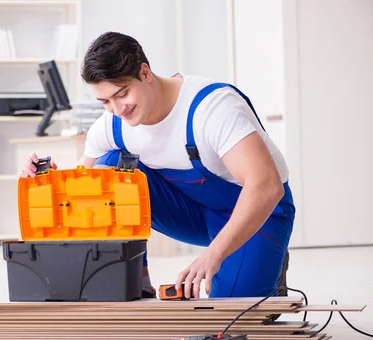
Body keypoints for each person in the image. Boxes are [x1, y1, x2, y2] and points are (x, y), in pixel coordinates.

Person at [20, 31, 294, 300]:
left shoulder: (211, 108)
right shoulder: (112, 126)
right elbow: (82, 193)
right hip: (193, 212)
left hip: (260, 210)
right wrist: (49, 180)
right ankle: (133, 281)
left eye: (122, 94)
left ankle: (266, 265)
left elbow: (267, 187)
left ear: (145, 73)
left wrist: (214, 255)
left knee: (232, 313)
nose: (117, 109)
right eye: (105, 101)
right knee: (107, 167)